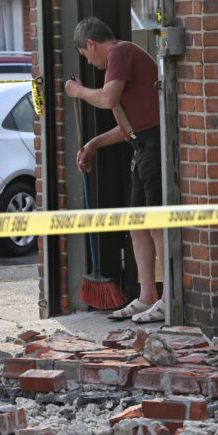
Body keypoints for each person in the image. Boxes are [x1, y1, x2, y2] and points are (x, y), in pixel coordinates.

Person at [64, 17, 165, 323]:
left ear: (91, 44)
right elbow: (128, 128)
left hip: (155, 145)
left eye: (86, 55)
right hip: (141, 145)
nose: (90, 63)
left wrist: (78, 91)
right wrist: (94, 143)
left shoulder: (120, 53)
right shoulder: (119, 59)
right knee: (137, 222)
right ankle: (148, 295)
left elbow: (108, 99)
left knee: (157, 221)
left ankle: (170, 297)